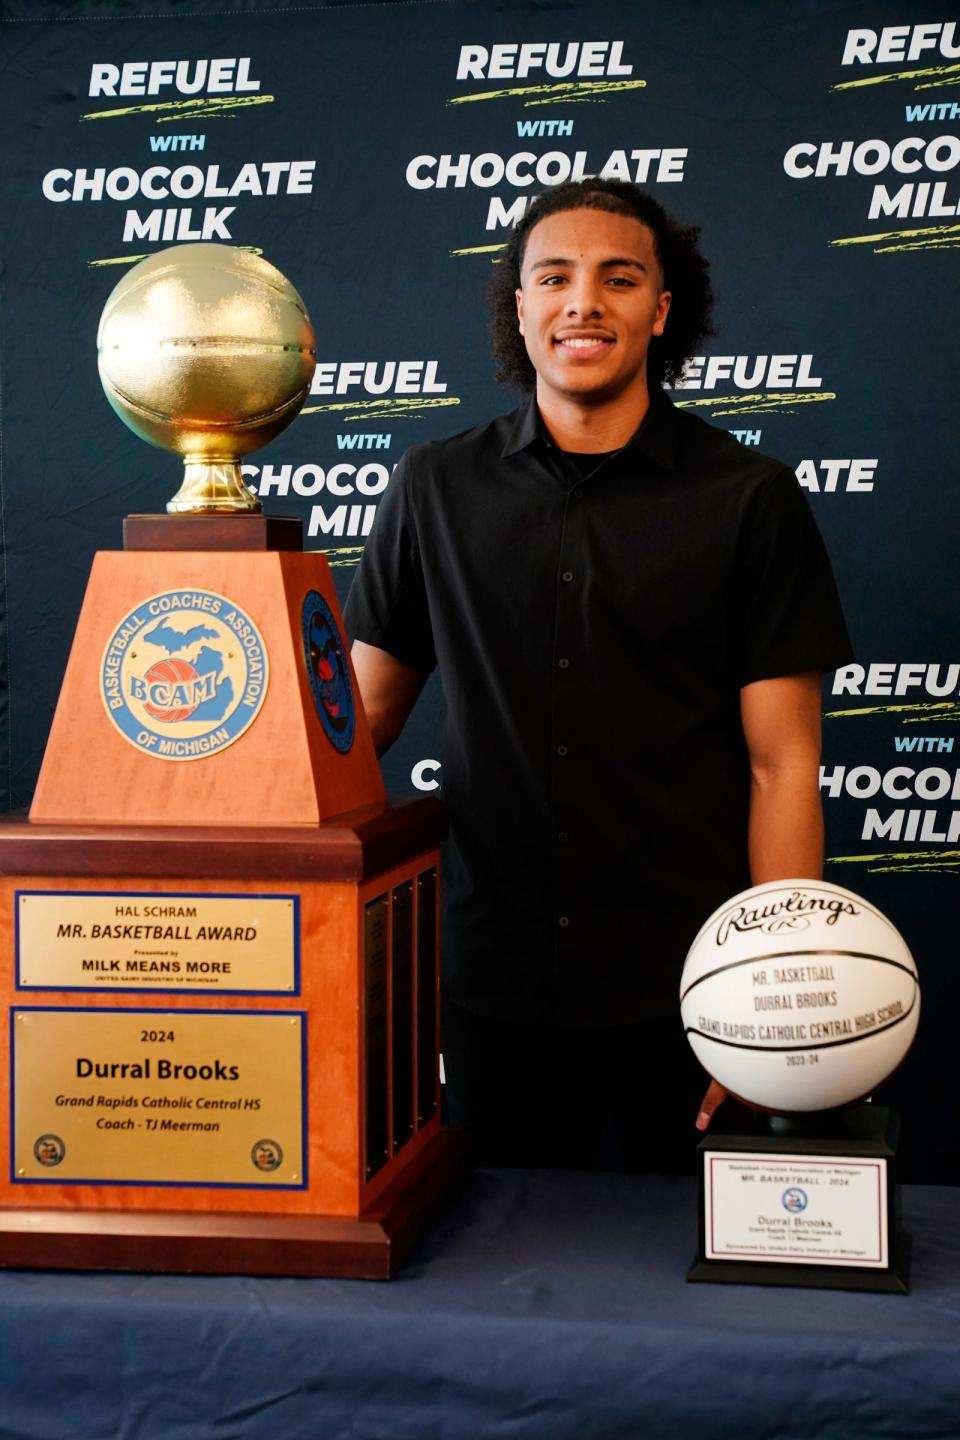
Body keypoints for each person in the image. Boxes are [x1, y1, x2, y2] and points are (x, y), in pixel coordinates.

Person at [343, 179, 852, 1172]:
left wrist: (773, 995)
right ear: (521, 309)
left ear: (661, 312)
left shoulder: (752, 499)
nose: (584, 301)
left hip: (697, 991)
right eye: (555, 278)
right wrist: (221, 818)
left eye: (619, 279)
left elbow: (782, 767)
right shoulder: (433, 488)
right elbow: (364, 718)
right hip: (493, 987)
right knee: (497, 1288)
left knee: (714, 1302)